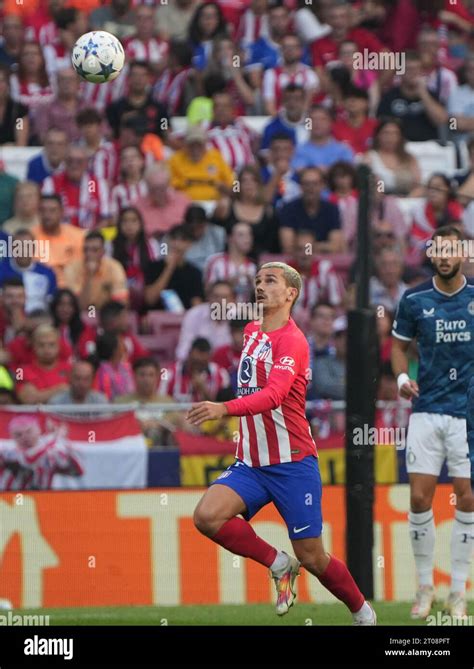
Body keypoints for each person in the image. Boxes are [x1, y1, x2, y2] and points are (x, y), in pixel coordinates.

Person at [188, 261, 376, 624]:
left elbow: (274, 396)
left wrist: (222, 409)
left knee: (313, 557)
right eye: (258, 280)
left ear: (291, 293)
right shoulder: (250, 331)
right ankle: (278, 564)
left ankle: (363, 613)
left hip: (292, 463)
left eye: (270, 281)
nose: (260, 286)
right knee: (207, 517)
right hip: (252, 462)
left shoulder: (293, 341)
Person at [391, 225, 474, 620]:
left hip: (468, 414)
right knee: (420, 499)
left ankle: (459, 591)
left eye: (450, 250)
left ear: (462, 254)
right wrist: (403, 378)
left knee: (468, 498)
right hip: (426, 410)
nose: (444, 257)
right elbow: (398, 347)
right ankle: (425, 587)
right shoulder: (414, 299)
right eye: (437, 250)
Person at [376, 51, 449, 143]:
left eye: (416, 69)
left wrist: (423, 93)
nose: (413, 73)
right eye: (408, 69)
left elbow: (442, 121)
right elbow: (381, 126)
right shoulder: (389, 97)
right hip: (399, 147)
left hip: (429, 148)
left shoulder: (431, 94)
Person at [1, 414, 83, 490]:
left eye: (29, 432)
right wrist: (55, 437)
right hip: (9, 500)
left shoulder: (50, 452)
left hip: (42, 499)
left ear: (39, 431)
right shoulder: (6, 452)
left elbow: (77, 471)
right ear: (11, 436)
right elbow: (29, 459)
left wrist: (64, 444)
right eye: (18, 434)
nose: (24, 437)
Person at [277, 167, 345, 255]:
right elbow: (288, 247)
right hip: (295, 263)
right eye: (306, 184)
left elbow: (335, 246)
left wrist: (304, 247)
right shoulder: (288, 209)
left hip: (324, 262)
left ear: (322, 185)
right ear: (300, 186)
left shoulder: (331, 209)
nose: (310, 188)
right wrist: (320, 247)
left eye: (315, 183)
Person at [214, 165, 280, 256]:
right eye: (244, 180)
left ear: (259, 184)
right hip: (229, 262)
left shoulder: (269, 211)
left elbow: (272, 245)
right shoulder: (226, 207)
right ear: (238, 184)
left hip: (259, 263)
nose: (249, 184)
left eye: (253, 180)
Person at [144, 224, 204, 311]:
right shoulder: (154, 266)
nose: (177, 244)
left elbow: (196, 304)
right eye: (174, 238)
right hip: (158, 317)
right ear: (168, 240)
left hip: (184, 318)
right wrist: (169, 268)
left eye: (183, 240)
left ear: (190, 244)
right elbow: (150, 299)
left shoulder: (194, 272)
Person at [64, 231, 129, 311]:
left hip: (107, 314)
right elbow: (79, 306)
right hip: (81, 314)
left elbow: (121, 302)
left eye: (94, 250)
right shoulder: (72, 268)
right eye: (86, 250)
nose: (88, 254)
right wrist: (89, 277)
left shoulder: (114, 267)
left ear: (103, 252)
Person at [168, 125, 235, 201]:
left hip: (213, 203)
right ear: (185, 145)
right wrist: (183, 183)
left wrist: (226, 188)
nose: (195, 149)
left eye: (199, 145)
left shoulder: (216, 157)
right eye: (192, 145)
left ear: (205, 144)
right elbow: (169, 185)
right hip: (185, 204)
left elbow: (233, 182)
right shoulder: (175, 160)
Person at [31, 194, 85, 287]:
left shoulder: (78, 236)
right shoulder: (29, 237)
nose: (47, 215)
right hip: (41, 287)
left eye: (52, 210)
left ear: (62, 212)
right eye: (43, 210)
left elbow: (81, 268)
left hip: (72, 288)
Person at [112, 207, 159, 312]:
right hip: (119, 293)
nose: (129, 225)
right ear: (119, 225)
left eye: (134, 220)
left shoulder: (152, 244)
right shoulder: (110, 246)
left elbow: (155, 273)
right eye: (125, 221)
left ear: (141, 224)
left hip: (146, 292)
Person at [175, 279, 235, 360]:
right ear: (208, 298)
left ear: (233, 300)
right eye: (216, 296)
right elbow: (183, 351)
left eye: (225, 297)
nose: (220, 301)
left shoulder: (241, 317)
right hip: (200, 365)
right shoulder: (194, 315)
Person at [0, 228, 57, 312]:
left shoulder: (47, 273)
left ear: (34, 248)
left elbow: (52, 306)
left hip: (39, 320)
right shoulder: (1, 270)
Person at [262, 34, 319, 116]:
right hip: (279, 122)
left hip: (304, 121)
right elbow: (269, 107)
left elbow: (311, 105)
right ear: (281, 50)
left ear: (300, 50)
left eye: (293, 47)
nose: (290, 50)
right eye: (286, 47)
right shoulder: (270, 74)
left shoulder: (310, 74)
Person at [160, 336, 230, 402]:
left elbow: (223, 407)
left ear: (209, 359)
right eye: (195, 362)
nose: (198, 366)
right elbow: (160, 401)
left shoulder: (221, 374)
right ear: (189, 354)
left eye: (202, 363)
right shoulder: (169, 373)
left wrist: (203, 389)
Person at [15, 323, 72, 404]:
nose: (46, 349)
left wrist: (40, 395)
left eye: (51, 344)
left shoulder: (71, 369)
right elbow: (28, 399)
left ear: (59, 346)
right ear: (34, 346)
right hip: (34, 416)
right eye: (41, 345)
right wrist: (60, 390)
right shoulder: (20, 371)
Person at [364, 119, 422, 197]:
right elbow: (370, 184)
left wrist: (407, 200)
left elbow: (418, 185)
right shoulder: (370, 157)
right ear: (378, 135)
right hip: (380, 200)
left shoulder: (409, 158)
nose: (390, 137)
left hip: (407, 200)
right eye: (386, 133)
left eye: (395, 133)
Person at [29, 66, 84, 144]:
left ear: (78, 84)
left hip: (84, 152)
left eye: (71, 80)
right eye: (63, 80)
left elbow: (103, 132)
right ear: (57, 83)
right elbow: (43, 136)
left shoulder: (88, 108)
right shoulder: (45, 108)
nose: (67, 83)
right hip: (56, 151)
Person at [134, 163, 191, 239]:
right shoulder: (137, 206)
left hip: (179, 245)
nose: (158, 193)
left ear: (168, 185)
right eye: (154, 188)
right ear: (147, 186)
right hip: (150, 246)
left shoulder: (183, 201)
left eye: (162, 188)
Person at [291, 105, 353, 173]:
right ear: (307, 124)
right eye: (313, 119)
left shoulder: (343, 150)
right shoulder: (298, 150)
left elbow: (347, 173)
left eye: (322, 119)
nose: (317, 123)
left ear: (330, 123)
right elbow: (298, 170)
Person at [204, 222, 256, 301]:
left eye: (249, 234)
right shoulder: (215, 261)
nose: (247, 239)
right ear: (229, 238)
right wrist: (228, 284)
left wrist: (254, 285)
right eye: (241, 235)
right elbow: (207, 291)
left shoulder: (252, 266)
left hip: (244, 311)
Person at [260, 83, 310, 152]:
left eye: (297, 99)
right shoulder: (272, 127)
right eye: (288, 99)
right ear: (283, 102)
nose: (292, 103)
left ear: (303, 102)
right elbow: (265, 153)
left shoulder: (310, 122)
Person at [51, 288, 97, 359]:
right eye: (61, 304)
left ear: (75, 308)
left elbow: (91, 354)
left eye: (70, 305)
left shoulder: (85, 329)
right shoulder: (48, 328)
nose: (65, 309)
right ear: (54, 307)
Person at [94, 331, 135, 401]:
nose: (124, 346)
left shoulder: (126, 368)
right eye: (121, 343)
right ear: (114, 349)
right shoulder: (100, 372)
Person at [0, 63, 29, 146]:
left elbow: (21, 142)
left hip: (13, 157)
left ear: (8, 84)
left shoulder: (19, 111)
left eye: (2, 81)